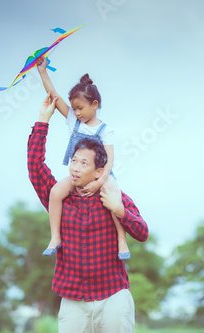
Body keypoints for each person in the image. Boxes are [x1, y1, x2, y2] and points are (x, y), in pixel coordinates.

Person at [28, 92, 149, 332]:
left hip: (113, 296)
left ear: (98, 171)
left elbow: (143, 233)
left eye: (84, 163)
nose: (75, 167)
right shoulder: (60, 199)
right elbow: (35, 166)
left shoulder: (113, 196)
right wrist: (43, 120)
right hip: (73, 300)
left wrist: (120, 210)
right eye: (74, 160)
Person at [36, 58, 131, 260]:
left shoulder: (105, 130)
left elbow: (110, 161)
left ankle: (121, 240)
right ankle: (55, 237)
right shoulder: (73, 120)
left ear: (94, 105)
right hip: (79, 174)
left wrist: (100, 183)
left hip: (101, 175)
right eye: (74, 108)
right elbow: (54, 96)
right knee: (55, 192)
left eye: (80, 108)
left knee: (114, 199)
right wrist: (43, 72)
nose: (76, 113)